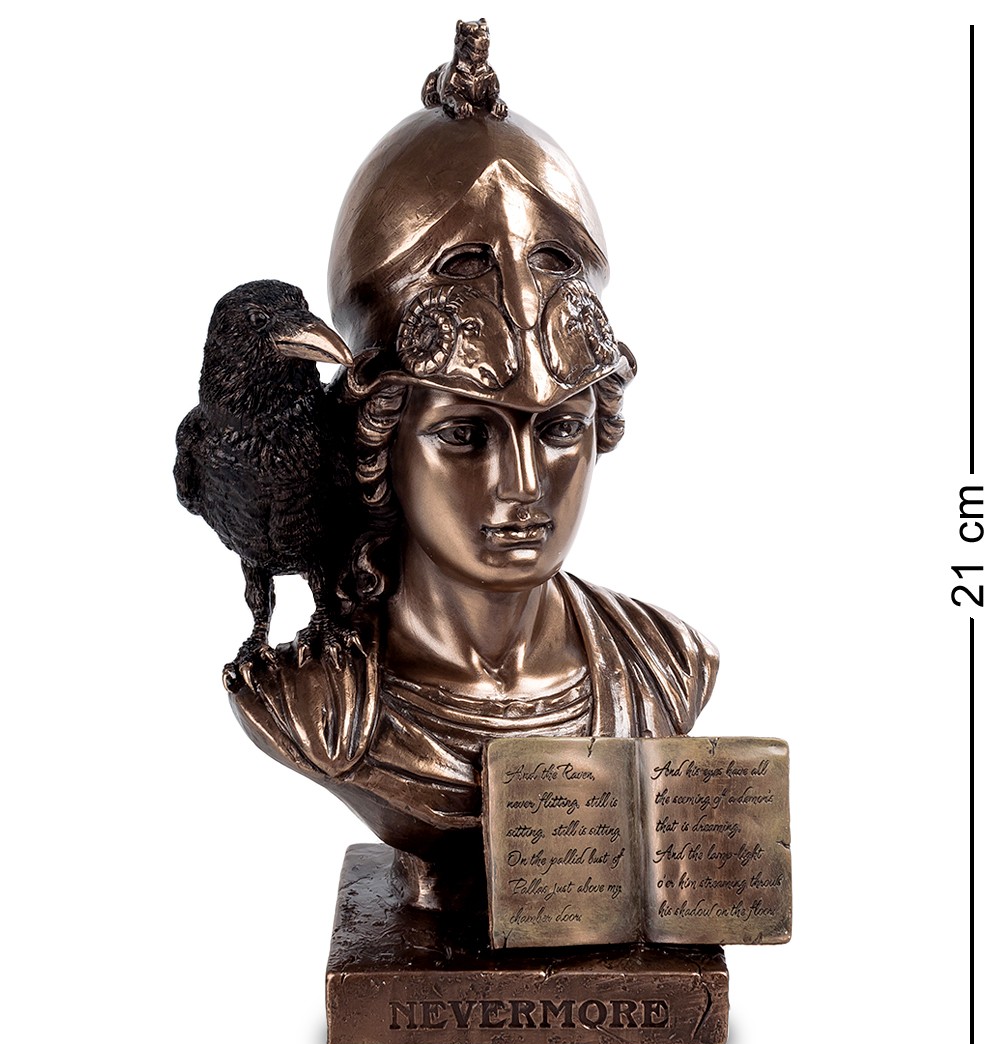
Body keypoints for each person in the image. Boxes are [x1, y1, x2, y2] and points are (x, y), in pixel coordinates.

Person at [229, 96, 718, 900]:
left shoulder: (664, 664)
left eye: (560, 429)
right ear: (381, 444)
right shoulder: (313, 701)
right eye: (465, 435)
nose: (524, 485)